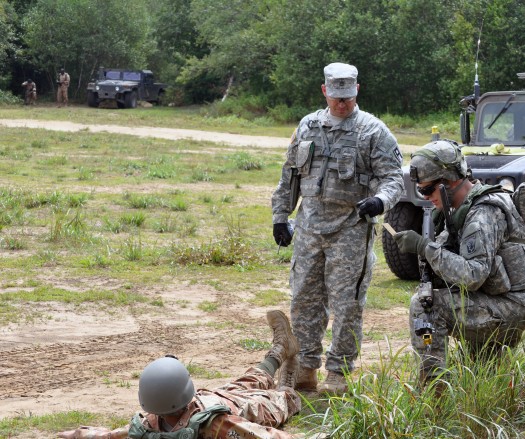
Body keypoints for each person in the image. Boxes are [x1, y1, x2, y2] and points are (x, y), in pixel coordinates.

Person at [271, 62, 404, 394]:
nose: (341, 103)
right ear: (324, 91)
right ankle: (304, 367)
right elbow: (290, 176)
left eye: (347, 97)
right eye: (335, 97)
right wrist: (280, 216)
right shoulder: (307, 126)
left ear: (356, 91)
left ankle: (339, 373)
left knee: (347, 304)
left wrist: (380, 201)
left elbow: (393, 178)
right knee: (304, 300)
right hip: (309, 228)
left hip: (350, 230)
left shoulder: (373, 131)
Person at [392, 140, 525, 383]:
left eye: (428, 190)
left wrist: (423, 247)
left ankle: (433, 389)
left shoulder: (482, 214)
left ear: (448, 182)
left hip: (513, 306)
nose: (425, 197)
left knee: (425, 307)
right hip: (501, 298)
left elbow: (473, 275)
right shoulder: (462, 209)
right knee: (485, 378)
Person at [57, 310, 303, 439]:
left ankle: (281, 349)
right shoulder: (218, 425)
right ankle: (288, 377)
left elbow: (110, 435)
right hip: (246, 408)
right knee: (285, 399)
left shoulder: (149, 424)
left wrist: (75, 434)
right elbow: (267, 435)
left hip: (216, 399)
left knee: (248, 380)